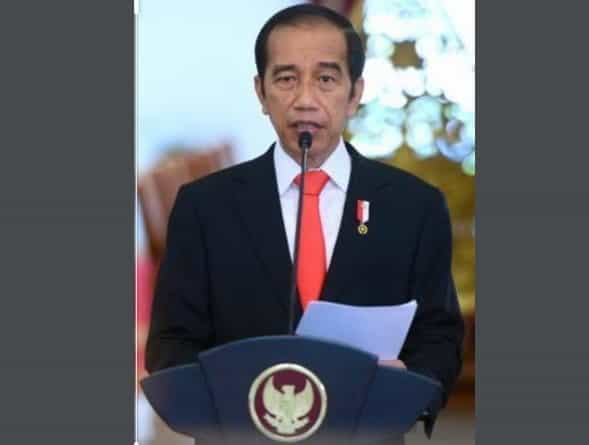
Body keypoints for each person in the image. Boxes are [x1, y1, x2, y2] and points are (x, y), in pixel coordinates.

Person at [146, 3, 464, 441]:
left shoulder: (414, 207)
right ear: (261, 92)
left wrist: (404, 387)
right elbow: (170, 345)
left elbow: (439, 337)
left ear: (355, 93)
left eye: (326, 79)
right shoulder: (203, 207)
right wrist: (230, 402)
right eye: (286, 79)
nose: (305, 100)